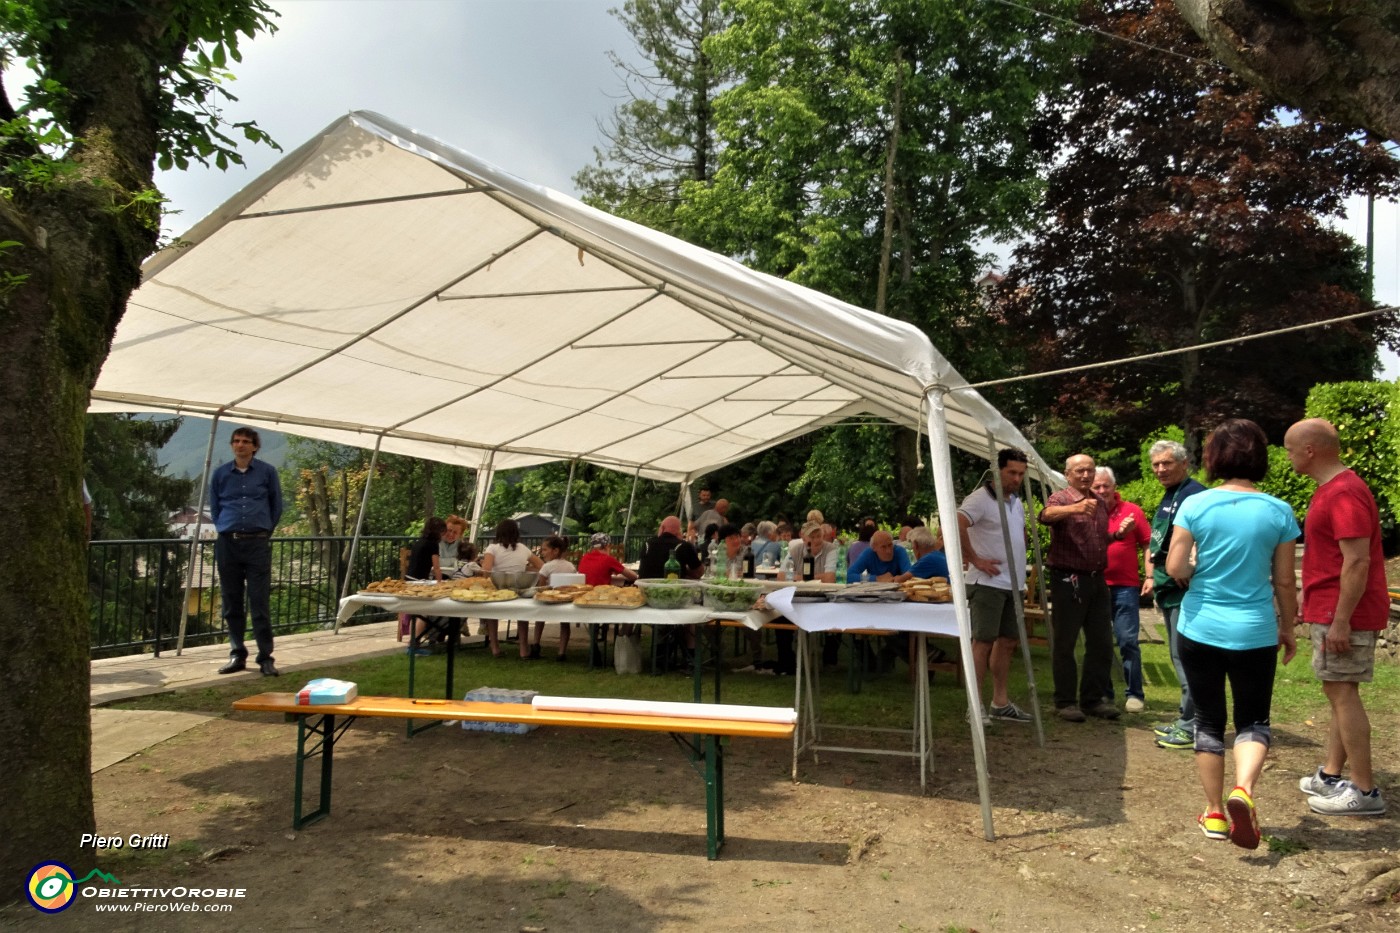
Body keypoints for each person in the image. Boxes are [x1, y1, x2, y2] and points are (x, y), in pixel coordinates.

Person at [1166, 419, 1298, 849]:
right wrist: (1288, 627)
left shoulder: (1196, 506)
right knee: (1253, 719)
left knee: (1208, 720)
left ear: (1214, 458)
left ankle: (1216, 813)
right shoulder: (1279, 510)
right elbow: (1283, 580)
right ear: (1260, 457)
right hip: (1255, 630)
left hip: (1200, 626)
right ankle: (1244, 789)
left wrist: (1196, 569)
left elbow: (1175, 568)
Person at [1284, 418, 1388, 816]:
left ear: (1311, 450)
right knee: (1338, 691)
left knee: (1342, 693)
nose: (1288, 456)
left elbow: (1357, 560)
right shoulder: (1330, 490)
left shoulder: (1344, 492)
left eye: (1292, 448)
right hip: (1331, 608)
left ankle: (1364, 790)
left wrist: (1342, 619)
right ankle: (1332, 775)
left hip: (1344, 611)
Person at [956, 448, 1035, 724]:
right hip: (986, 583)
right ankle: (974, 705)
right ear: (997, 471)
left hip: (1012, 584)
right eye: (1012, 472)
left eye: (1021, 474)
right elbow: (957, 521)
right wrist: (974, 558)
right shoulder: (980, 499)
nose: (1016, 478)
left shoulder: (1015, 501)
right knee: (983, 642)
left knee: (1008, 641)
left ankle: (999, 702)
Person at [1039, 453, 1119, 722]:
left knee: (1102, 644)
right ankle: (1065, 702)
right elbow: (1045, 515)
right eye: (1080, 471)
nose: (1086, 475)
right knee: (1066, 642)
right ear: (1068, 474)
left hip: (1096, 580)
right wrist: (1073, 509)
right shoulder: (1060, 498)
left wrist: (1117, 536)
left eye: (1090, 471)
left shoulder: (1099, 502)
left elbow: (1095, 540)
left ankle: (1092, 700)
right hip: (1068, 580)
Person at [1143, 440, 1209, 750]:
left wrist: (1189, 567)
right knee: (1177, 655)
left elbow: (1203, 537)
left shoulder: (1194, 494)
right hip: (1168, 586)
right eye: (1156, 465)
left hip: (1184, 589)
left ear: (1184, 464)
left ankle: (1194, 724)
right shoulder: (1172, 494)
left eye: (1166, 463)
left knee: (1187, 658)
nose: (1160, 469)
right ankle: (1186, 716)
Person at [211, 427, 284, 677]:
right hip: (228, 543)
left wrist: (263, 531)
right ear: (232, 445)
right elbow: (215, 507)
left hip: (257, 543)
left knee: (259, 602)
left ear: (254, 446)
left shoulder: (267, 472)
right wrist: (225, 528)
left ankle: (265, 657)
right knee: (231, 602)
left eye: (245, 442)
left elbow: (276, 506)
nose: (240, 445)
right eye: (236, 441)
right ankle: (236, 654)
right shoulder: (221, 474)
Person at [1093, 467, 1150, 713]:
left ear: (1114, 486)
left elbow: (1148, 542)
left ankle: (1135, 694)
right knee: (1101, 643)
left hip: (1125, 587)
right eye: (1097, 486)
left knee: (1127, 641)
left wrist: (1150, 575)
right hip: (1095, 586)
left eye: (1106, 485)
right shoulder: (1086, 510)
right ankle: (1104, 694)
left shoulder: (1132, 511)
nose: (1102, 490)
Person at [478, 518, 543, 659]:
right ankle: (523, 650)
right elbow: (541, 566)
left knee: (492, 616)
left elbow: (486, 570)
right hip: (519, 587)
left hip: (499, 587)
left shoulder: (492, 548)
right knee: (522, 617)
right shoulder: (524, 548)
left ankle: (495, 647)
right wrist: (523, 567)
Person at [406, 517, 447, 655]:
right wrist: (440, 583)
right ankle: (414, 644)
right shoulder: (433, 545)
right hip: (419, 582)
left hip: (409, 579)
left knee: (418, 612)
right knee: (422, 612)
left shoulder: (419, 542)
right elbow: (436, 567)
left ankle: (414, 641)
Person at [536, 535, 577, 661]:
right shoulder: (570, 566)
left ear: (555, 551)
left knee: (539, 619)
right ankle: (561, 651)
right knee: (565, 624)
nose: (542, 553)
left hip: (549, 600)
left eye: (544, 550)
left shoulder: (547, 566)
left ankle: (536, 645)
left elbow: (541, 586)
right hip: (565, 601)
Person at [845, 529, 911, 582]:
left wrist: (901, 578)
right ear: (874, 548)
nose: (889, 551)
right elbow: (849, 576)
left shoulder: (899, 551)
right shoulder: (868, 554)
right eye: (883, 547)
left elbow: (910, 574)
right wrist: (876, 578)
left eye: (890, 545)